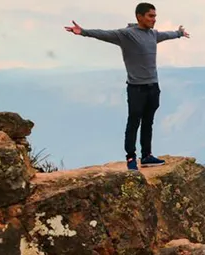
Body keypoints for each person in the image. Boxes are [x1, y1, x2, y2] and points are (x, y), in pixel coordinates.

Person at [65, 3, 190, 171]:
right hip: (136, 88)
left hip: (153, 87)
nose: (154, 19)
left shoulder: (153, 35)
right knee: (133, 122)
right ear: (139, 16)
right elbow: (104, 34)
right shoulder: (126, 35)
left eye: (155, 16)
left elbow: (167, 35)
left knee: (148, 122)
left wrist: (179, 33)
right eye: (150, 16)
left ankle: (146, 156)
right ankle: (131, 157)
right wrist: (84, 32)